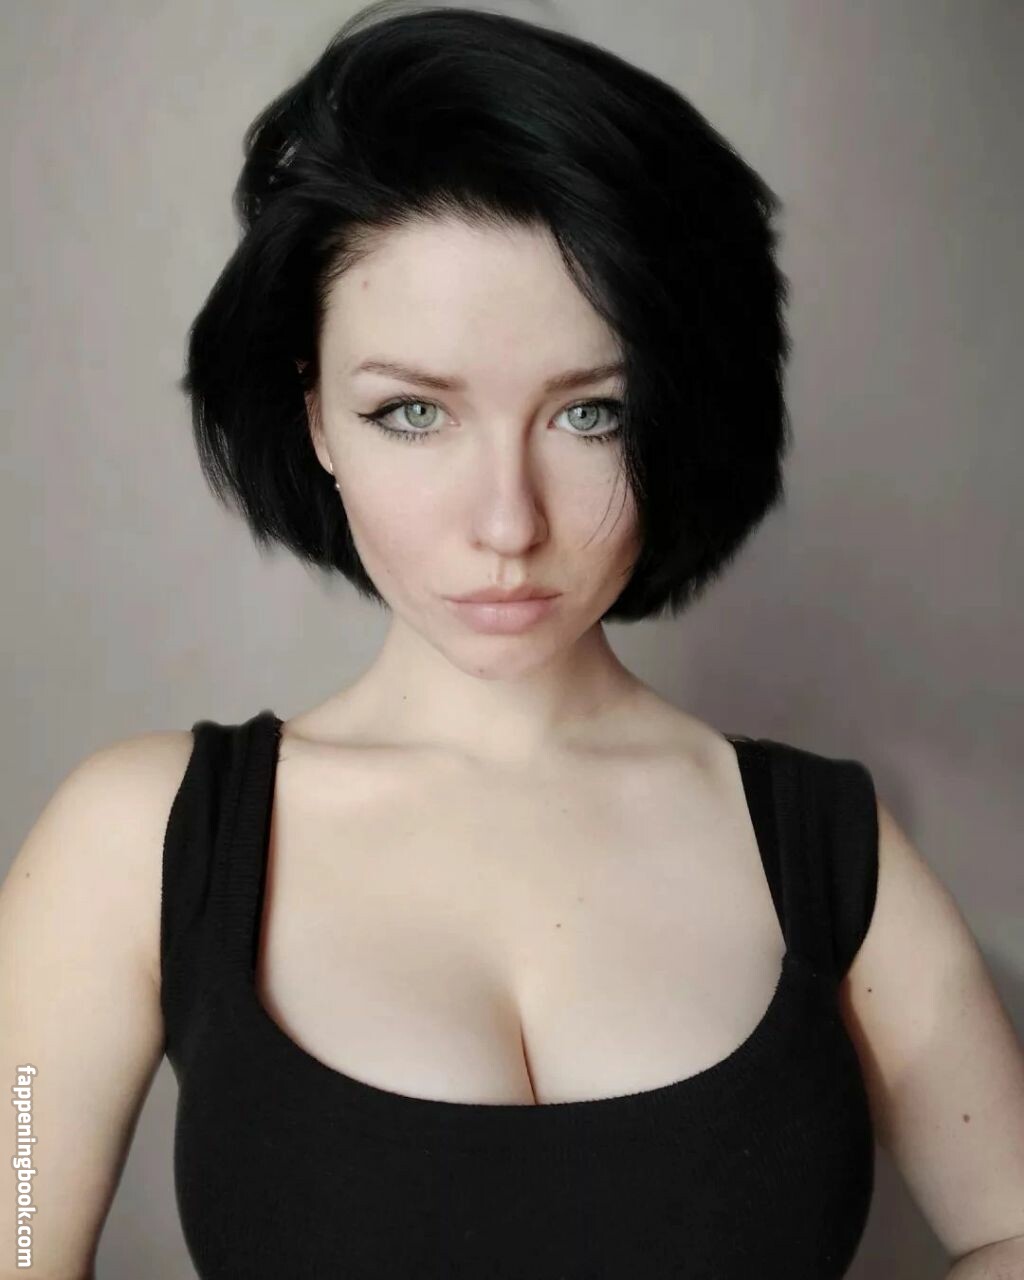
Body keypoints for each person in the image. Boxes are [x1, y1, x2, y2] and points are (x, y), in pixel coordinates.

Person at [4, 3, 1023, 1278]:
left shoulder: (821, 846)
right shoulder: (144, 839)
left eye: (590, 412)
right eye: (412, 411)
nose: (506, 521)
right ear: (314, 418)